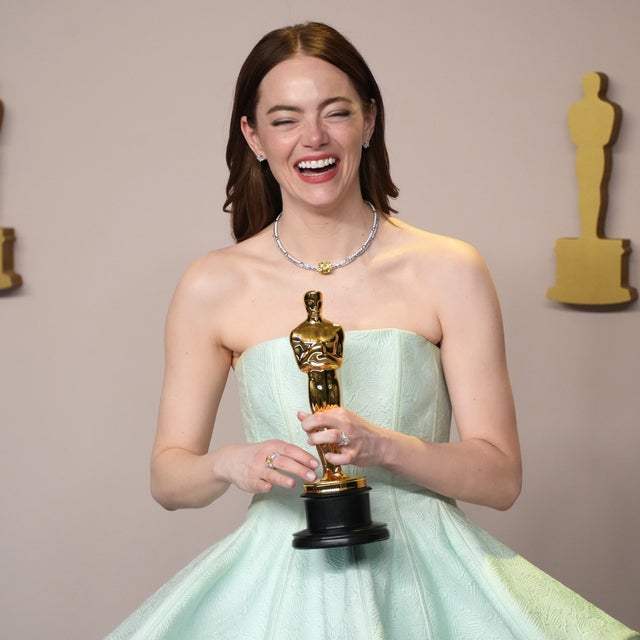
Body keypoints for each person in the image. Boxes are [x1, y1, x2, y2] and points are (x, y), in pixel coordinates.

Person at [107, 22, 639, 639]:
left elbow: (501, 478)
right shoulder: (211, 284)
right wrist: (230, 463)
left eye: (336, 112)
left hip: (428, 582)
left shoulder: (449, 269)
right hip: (276, 582)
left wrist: (385, 448)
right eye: (285, 119)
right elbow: (168, 477)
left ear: (369, 121)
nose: (314, 138)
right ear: (253, 136)